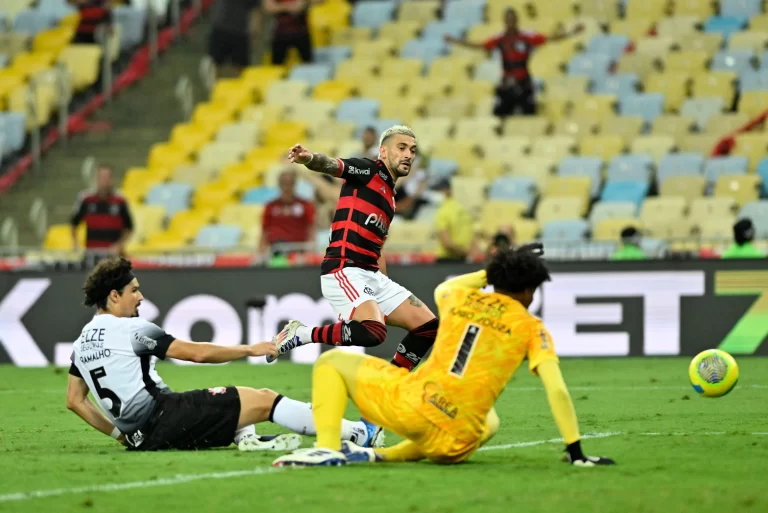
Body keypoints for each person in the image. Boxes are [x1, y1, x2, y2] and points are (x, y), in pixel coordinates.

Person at [272, 246, 615, 467]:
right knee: (490, 419)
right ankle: (378, 454)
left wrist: (493, 271)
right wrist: (576, 452)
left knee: (330, 363)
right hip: (459, 440)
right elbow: (556, 390)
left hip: (413, 410)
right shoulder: (532, 327)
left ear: (493, 281)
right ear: (530, 291)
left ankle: (328, 449)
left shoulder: (456, 299)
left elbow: (447, 286)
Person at [66, 257, 383, 452]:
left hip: (148, 434)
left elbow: (74, 400)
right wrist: (249, 349)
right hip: (168, 417)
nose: (140, 296)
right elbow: (196, 354)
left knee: (231, 403)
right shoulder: (131, 329)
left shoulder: (81, 343)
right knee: (263, 399)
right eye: (133, 290)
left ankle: (247, 437)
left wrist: (123, 436)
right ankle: (358, 432)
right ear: (113, 295)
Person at [269, 126, 439, 373]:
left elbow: (378, 246)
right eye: (401, 148)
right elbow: (333, 165)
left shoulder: (389, 196)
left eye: (412, 150)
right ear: (383, 151)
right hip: (344, 268)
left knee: (428, 327)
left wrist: (385, 287)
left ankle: (389, 386)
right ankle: (302, 333)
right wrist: (309, 159)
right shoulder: (369, 171)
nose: (408, 155)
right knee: (373, 332)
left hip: (372, 275)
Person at [444, 8, 583, 117]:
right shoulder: (499, 39)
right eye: (508, 19)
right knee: (500, 114)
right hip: (507, 83)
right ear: (504, 21)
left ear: (517, 20)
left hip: (524, 82)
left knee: (529, 114)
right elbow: (480, 46)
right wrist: (456, 41)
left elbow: (549, 39)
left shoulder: (526, 37)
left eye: (513, 19)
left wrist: (571, 33)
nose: (510, 21)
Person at [71, 166, 134, 261]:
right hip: (91, 254)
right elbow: (74, 223)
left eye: (107, 177)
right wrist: (76, 243)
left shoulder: (120, 200)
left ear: (112, 179)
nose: (104, 181)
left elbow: (129, 228)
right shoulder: (86, 199)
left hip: (113, 256)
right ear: (96, 179)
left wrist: (119, 245)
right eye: (102, 177)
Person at [259, 169, 316, 257]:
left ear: (294, 185)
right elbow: (265, 229)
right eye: (284, 183)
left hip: (298, 249)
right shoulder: (271, 206)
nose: (286, 187)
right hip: (276, 249)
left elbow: (311, 226)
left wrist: (311, 247)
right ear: (279, 185)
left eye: (289, 183)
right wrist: (261, 249)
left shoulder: (305, 205)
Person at [207, 0, 261, 75]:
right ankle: (216, 86)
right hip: (220, 29)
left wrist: (255, 34)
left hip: (240, 32)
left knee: (242, 69)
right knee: (215, 65)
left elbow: (256, 11)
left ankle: (243, 86)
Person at [434, 179, 476, 262]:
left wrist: (462, 253)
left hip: (446, 260)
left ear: (446, 191)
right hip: (462, 260)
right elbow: (472, 237)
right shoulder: (462, 210)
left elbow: (447, 243)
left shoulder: (443, 211)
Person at [265, 0, 313, 65]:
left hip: (301, 32)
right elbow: (270, 7)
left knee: (308, 65)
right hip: (280, 34)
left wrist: (280, 7)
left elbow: (300, 6)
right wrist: (290, 7)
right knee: (277, 66)